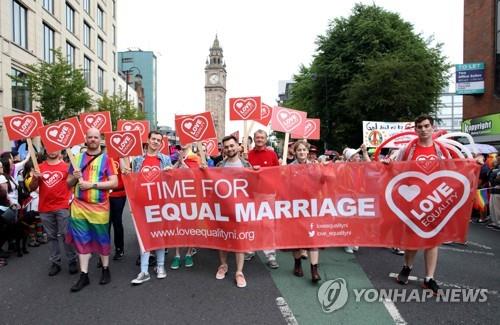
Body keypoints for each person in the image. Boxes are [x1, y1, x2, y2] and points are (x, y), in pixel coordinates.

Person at [395, 115, 453, 295]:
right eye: (419, 126)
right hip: (412, 201)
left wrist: (474, 163)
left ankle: (429, 278)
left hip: (435, 200)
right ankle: (407, 267)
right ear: (415, 129)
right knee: (413, 238)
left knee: (433, 240)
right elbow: (396, 167)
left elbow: (454, 168)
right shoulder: (409, 149)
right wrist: (388, 164)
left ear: (432, 128)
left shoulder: (441, 149)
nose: (423, 129)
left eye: (426, 126)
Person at [66, 128, 118, 292]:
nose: (93, 139)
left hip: (99, 206)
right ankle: (84, 275)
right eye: (90, 137)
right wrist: (75, 176)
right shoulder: (76, 159)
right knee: (81, 239)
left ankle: (105, 269)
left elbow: (114, 183)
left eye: (96, 137)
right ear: (86, 139)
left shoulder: (107, 160)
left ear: (100, 139)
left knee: (102, 238)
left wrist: (92, 185)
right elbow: (68, 183)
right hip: (79, 206)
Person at [129, 131, 172, 285]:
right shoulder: (138, 160)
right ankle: (144, 270)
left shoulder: (165, 159)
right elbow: (132, 182)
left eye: (159, 140)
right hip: (142, 203)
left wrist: (169, 174)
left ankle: (160, 267)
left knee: (159, 234)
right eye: (153, 139)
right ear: (147, 140)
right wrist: (132, 203)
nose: (155, 142)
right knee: (144, 236)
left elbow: (172, 182)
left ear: (161, 143)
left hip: (160, 203)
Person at [29, 150, 78, 276]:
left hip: (62, 206)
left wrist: (76, 178)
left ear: (59, 151)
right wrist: (35, 178)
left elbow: (70, 184)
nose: (52, 151)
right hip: (45, 207)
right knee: (51, 236)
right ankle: (55, 262)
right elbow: (32, 188)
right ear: (46, 151)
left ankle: (72, 260)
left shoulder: (66, 167)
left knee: (66, 234)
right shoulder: (39, 167)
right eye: (50, 149)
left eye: (54, 148)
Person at [215, 135, 252, 288]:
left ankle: (239, 272)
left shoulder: (246, 164)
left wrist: (256, 173)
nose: (229, 149)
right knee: (223, 238)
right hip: (223, 208)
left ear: (238, 146)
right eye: (227, 147)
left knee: (239, 240)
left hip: (240, 208)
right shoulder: (219, 166)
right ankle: (223, 265)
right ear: (223, 149)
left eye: (232, 146)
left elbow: (254, 185)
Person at [246, 129, 280, 268]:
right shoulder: (248, 155)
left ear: (266, 139)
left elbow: (277, 173)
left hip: (268, 194)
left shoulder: (272, 154)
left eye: (262, 137)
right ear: (254, 139)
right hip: (252, 194)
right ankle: (250, 250)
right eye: (257, 137)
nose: (259, 139)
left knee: (268, 225)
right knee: (251, 223)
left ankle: (270, 255)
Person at [289, 140, 321, 282]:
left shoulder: (315, 167)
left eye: (304, 150)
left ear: (308, 152)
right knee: (296, 239)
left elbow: (324, 181)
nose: (301, 152)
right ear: (294, 152)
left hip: (311, 206)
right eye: (299, 150)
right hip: (295, 206)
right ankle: (297, 265)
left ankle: (314, 270)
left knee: (313, 238)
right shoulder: (288, 167)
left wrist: (325, 169)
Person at [109, 159, 126, 260]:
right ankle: (103, 251)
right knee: (104, 224)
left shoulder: (120, 156)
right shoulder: (102, 156)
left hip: (119, 194)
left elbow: (124, 171)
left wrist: (121, 157)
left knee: (117, 221)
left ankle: (119, 248)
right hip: (104, 193)